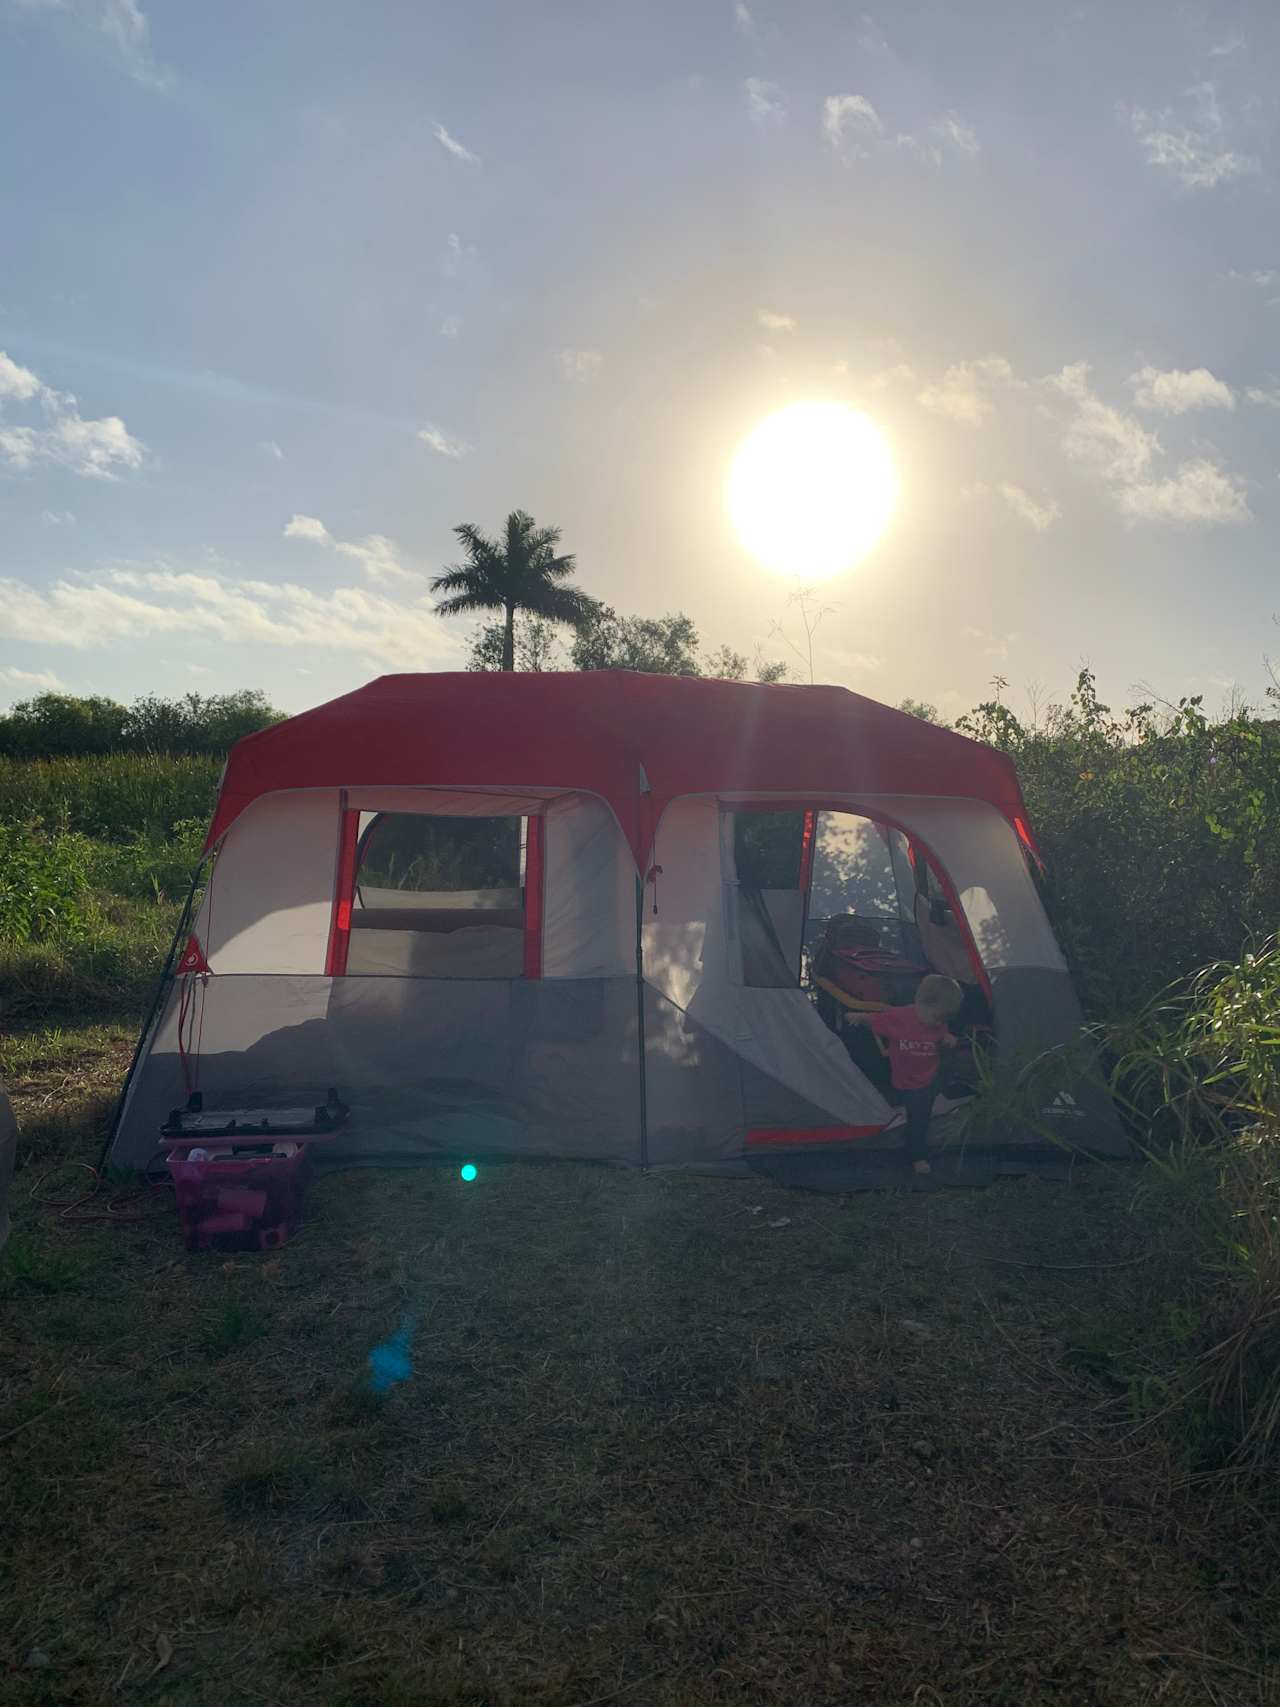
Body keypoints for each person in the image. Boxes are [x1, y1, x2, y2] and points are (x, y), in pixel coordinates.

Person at [849, 974, 964, 1176]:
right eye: (936, 1017)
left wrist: (948, 1038)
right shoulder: (900, 1017)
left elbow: (941, 1034)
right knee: (902, 1101)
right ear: (920, 1003)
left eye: (944, 1020)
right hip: (902, 1074)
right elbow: (877, 1020)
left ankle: (917, 1155)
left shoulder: (939, 1022)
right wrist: (859, 1017)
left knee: (920, 1116)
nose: (938, 1023)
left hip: (926, 1078)